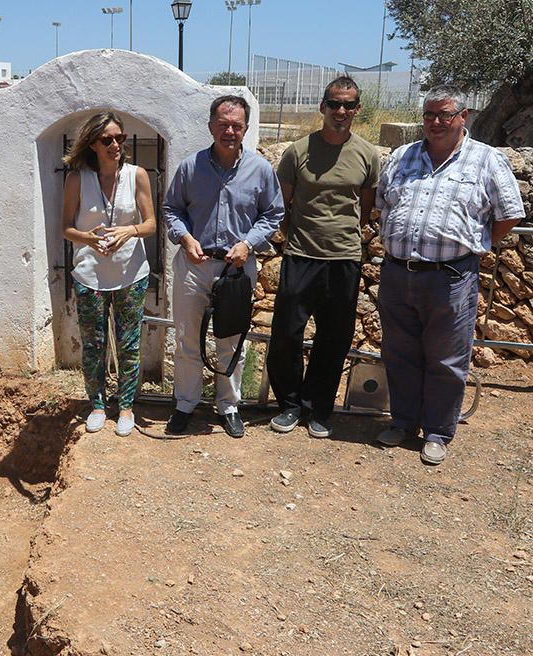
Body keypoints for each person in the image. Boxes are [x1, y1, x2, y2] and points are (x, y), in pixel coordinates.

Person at [374, 85, 524, 465]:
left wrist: (476, 243)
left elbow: (510, 213)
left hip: (451, 277)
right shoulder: (402, 156)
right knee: (399, 353)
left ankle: (438, 431)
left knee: (446, 359)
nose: (436, 122)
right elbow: (381, 204)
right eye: (429, 115)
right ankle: (403, 422)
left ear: (464, 117)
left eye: (445, 115)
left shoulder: (486, 160)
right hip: (397, 273)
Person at [163, 95, 284, 438]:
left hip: (237, 269)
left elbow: (273, 213)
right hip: (194, 266)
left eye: (236, 125)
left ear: (245, 128)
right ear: (211, 127)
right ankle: (185, 404)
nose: (229, 131)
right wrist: (185, 238)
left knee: (231, 340)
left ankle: (228, 406)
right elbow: (172, 208)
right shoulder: (190, 167)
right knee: (187, 339)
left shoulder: (260, 169)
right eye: (223, 125)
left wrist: (248, 244)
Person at [267, 76, 381, 438]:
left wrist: (342, 235)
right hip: (301, 254)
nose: (341, 111)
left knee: (334, 338)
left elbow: (364, 209)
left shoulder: (367, 154)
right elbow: (282, 204)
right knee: (286, 333)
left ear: (358, 109)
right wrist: (297, 235)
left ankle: (318, 408)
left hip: (344, 258)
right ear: (323, 107)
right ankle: (288, 404)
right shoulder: (297, 151)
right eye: (334, 104)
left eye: (348, 105)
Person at [62, 111, 157, 436]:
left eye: (120, 138)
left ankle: (126, 406)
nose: (115, 144)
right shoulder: (77, 178)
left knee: (129, 344)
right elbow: (66, 228)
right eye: (107, 140)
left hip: (131, 274)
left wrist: (128, 232)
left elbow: (150, 224)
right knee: (94, 344)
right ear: (92, 144)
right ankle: (98, 406)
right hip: (90, 276)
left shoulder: (137, 175)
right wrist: (88, 238)